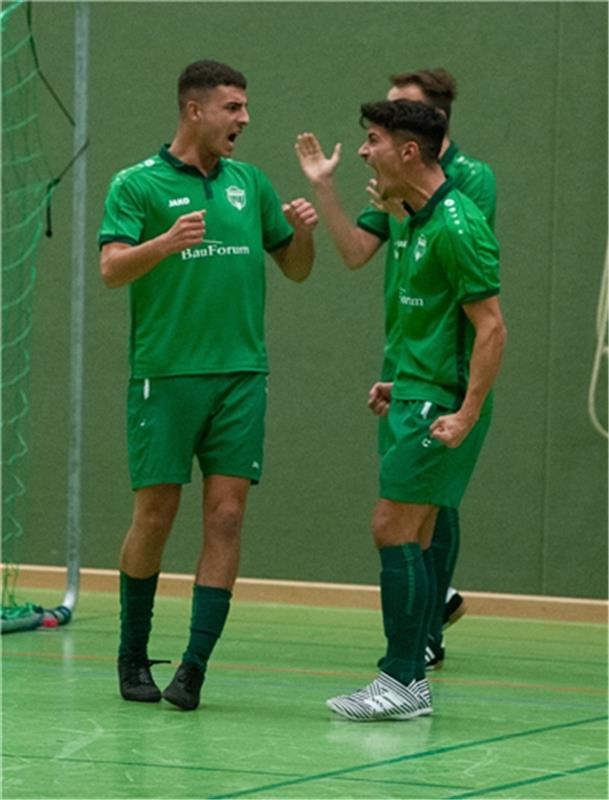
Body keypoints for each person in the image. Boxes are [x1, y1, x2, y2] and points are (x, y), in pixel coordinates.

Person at [98, 59, 318, 711]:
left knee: (226, 514)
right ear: (194, 110)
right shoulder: (135, 185)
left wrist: (302, 232)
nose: (244, 119)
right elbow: (111, 270)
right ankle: (131, 653)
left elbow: (297, 270)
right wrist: (163, 244)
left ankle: (193, 667)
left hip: (241, 375)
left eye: (245, 107)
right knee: (155, 516)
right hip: (165, 375)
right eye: (232, 107)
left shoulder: (250, 183)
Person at [295, 68, 496, 670]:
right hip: (411, 372)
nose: (364, 147)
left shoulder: (461, 196)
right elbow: (358, 251)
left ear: (421, 131)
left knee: (407, 519)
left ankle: (411, 662)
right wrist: (327, 192)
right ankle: (409, 666)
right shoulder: (400, 192)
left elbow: (485, 314)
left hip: (443, 379)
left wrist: (465, 408)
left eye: (382, 128)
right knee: (407, 520)